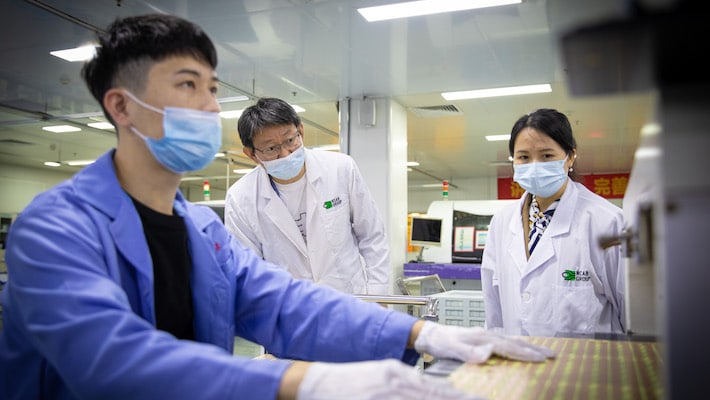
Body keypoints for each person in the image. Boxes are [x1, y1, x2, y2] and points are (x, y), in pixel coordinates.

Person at [0, 14, 555, 400]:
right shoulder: (53, 231)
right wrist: (304, 384)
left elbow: (285, 303)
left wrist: (420, 337)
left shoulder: (198, 230)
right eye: (189, 84)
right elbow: (110, 362)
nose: (210, 105)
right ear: (122, 105)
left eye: (213, 88)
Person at [481, 108, 626, 337]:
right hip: (516, 364)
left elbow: (632, 314)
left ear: (570, 157)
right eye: (524, 157)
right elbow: (494, 309)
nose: (535, 165)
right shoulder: (501, 223)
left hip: (587, 369)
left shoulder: (607, 222)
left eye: (547, 155)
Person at [224, 97, 390, 295]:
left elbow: (372, 235)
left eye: (290, 140)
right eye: (271, 148)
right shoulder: (241, 198)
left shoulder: (340, 169)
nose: (285, 154)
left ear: (301, 131)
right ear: (251, 154)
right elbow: (249, 271)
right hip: (290, 313)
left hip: (350, 303)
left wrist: (378, 295)